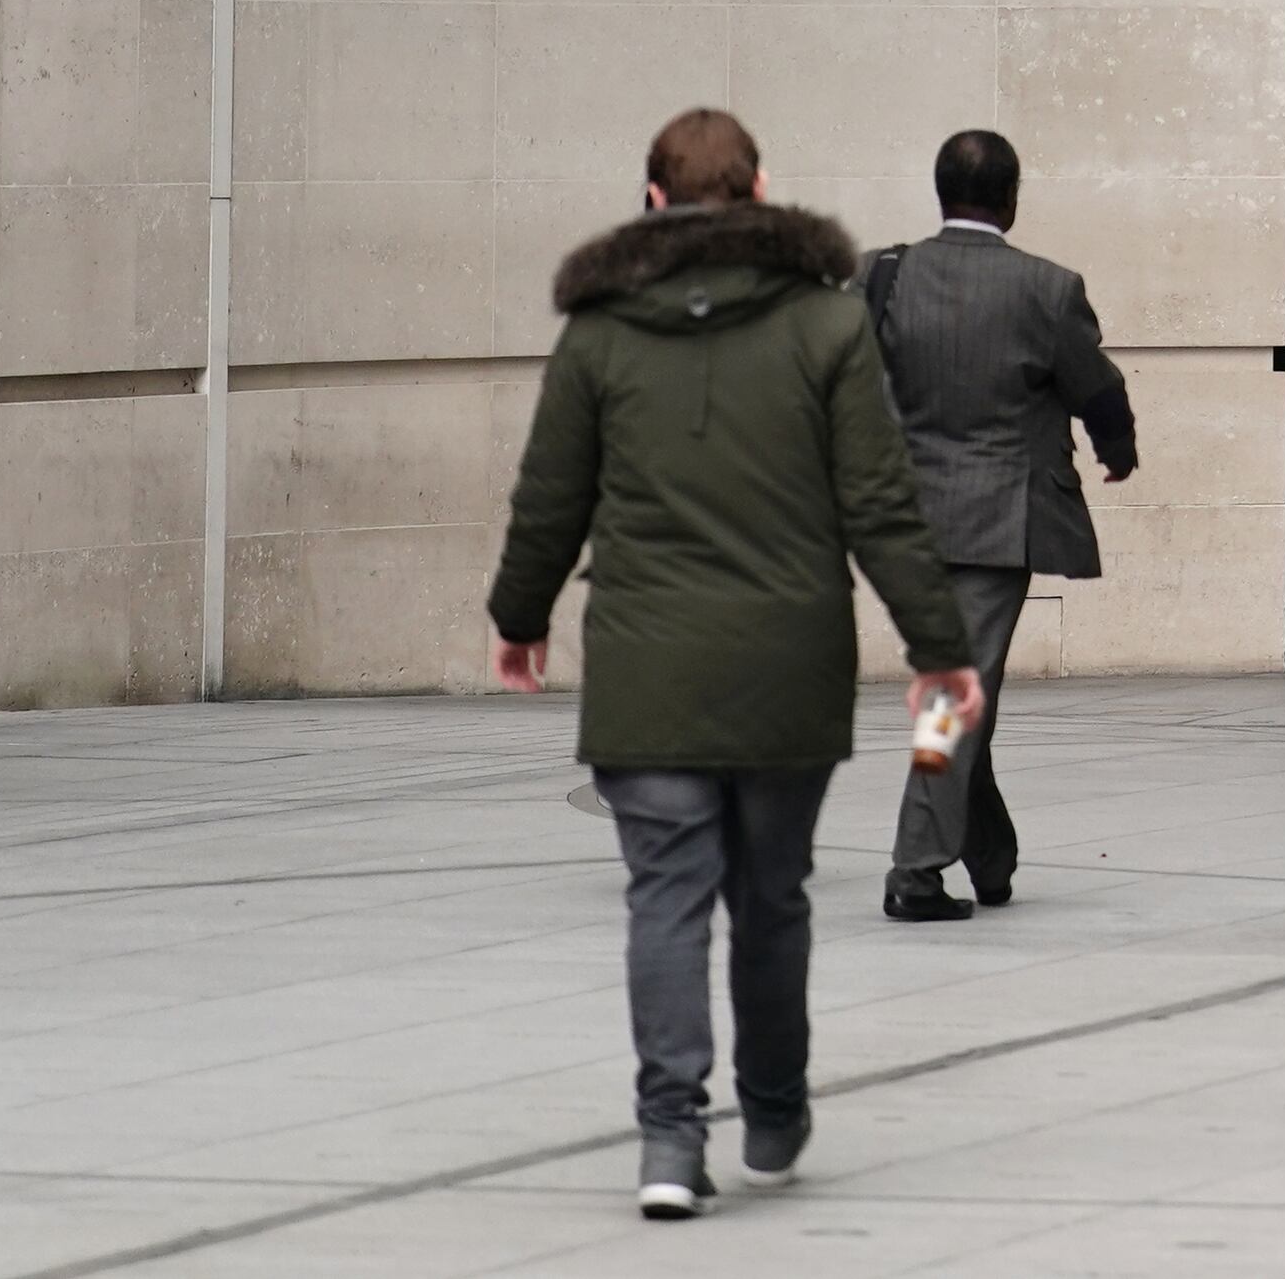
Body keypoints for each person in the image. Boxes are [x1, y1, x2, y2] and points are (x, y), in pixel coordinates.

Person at [488, 109, 979, 1223]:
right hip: (785, 665)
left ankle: (669, 1141)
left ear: (652, 202)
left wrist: (518, 619)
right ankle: (771, 1108)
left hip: (643, 671)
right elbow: (878, 501)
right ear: (760, 188)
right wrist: (940, 651)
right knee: (772, 900)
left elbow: (548, 496)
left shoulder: (598, 332)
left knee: (664, 901)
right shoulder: (827, 324)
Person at [863, 126, 1139, 922]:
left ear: (939, 190)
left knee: (957, 685)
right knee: (956, 692)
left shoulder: (883, 275)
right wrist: (1116, 449)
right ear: (1012, 201)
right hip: (995, 521)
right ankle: (916, 869)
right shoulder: (1046, 288)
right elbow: (1096, 385)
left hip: (900, 518)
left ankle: (990, 854)